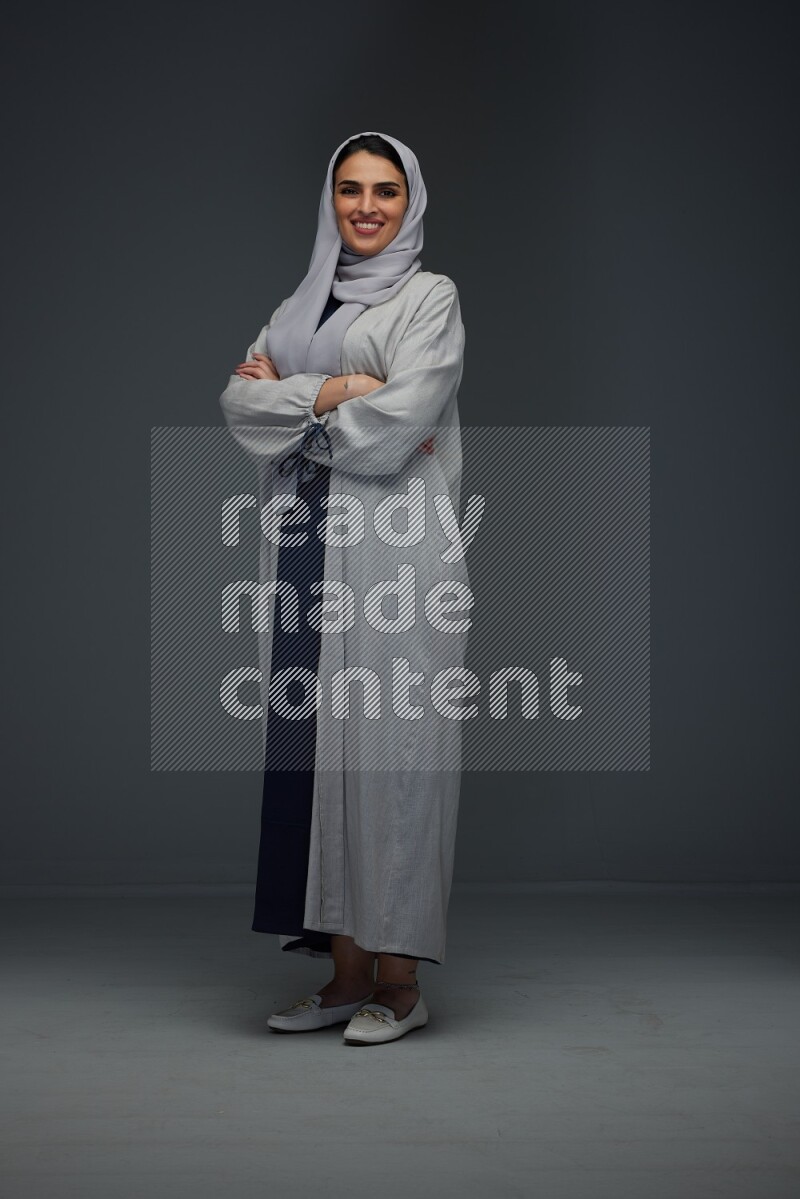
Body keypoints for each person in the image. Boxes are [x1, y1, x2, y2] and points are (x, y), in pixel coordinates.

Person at [218, 131, 468, 1045]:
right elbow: (237, 406)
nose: (367, 207)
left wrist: (295, 397)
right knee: (315, 755)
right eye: (351, 190)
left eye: (387, 192)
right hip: (302, 546)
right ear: (331, 200)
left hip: (396, 558)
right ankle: (342, 975)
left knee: (390, 754)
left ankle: (399, 985)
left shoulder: (429, 299)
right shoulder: (296, 305)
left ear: (412, 203)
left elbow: (400, 424)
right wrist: (333, 393)